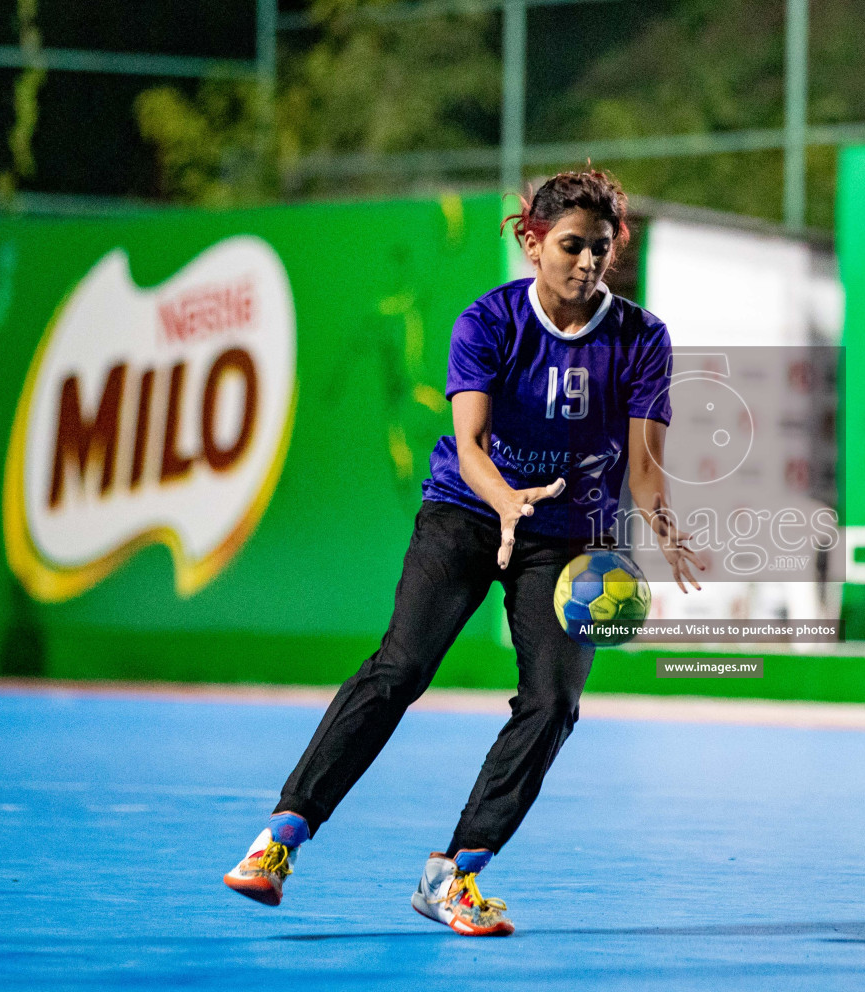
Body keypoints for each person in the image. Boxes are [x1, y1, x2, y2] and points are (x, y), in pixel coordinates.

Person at [223, 169, 705, 936]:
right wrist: (506, 501)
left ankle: (454, 875)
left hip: (568, 538)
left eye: (601, 250)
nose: (586, 263)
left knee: (553, 703)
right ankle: (280, 838)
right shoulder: (487, 321)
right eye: (572, 246)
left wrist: (666, 525)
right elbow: (473, 445)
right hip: (466, 512)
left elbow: (644, 468)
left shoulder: (641, 339)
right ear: (532, 240)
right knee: (402, 667)